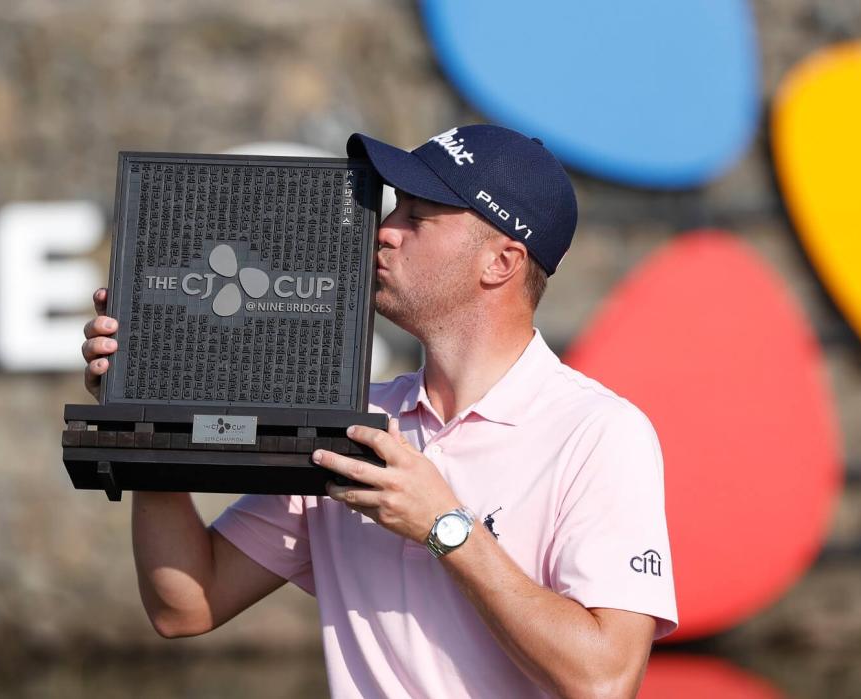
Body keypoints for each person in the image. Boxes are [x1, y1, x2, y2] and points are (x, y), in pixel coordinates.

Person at [81, 125, 677, 698]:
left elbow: (604, 681)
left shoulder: (599, 432)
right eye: (393, 211)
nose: (383, 231)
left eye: (415, 217)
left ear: (501, 262)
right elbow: (186, 604)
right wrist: (146, 408)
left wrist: (445, 527)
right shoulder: (349, 417)